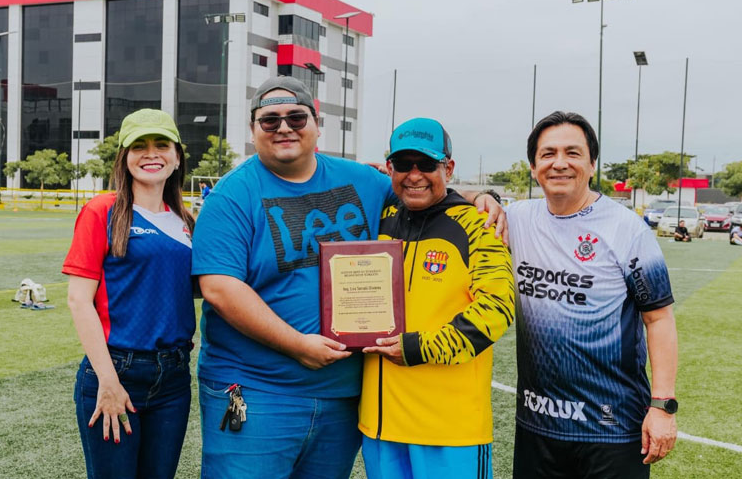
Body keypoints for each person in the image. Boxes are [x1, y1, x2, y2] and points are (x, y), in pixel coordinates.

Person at [191, 76, 506, 479]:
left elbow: (424, 191)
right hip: (261, 389)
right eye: (270, 121)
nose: (284, 127)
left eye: (296, 117)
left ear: (317, 124)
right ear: (253, 130)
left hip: (343, 395)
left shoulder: (364, 180)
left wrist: (480, 198)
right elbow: (219, 289)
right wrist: (297, 345)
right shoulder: (232, 195)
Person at [506, 111, 678, 479]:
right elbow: (462, 207)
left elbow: (658, 317)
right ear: (534, 166)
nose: (560, 163)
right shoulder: (516, 219)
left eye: (573, 153)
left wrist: (662, 407)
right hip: (537, 425)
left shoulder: (626, 228)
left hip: (612, 426)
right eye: (548, 154)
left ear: (591, 163)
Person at [359, 118, 515, 478]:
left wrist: (418, 348)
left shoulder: (479, 226)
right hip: (380, 427)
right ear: (389, 168)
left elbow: (497, 307)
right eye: (403, 165)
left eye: (427, 164)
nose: (415, 175)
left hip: (449, 431)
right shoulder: (378, 219)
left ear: (449, 167)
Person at [62, 109, 195, 479]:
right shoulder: (103, 211)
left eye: (161, 145)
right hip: (117, 369)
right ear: (124, 157)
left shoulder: (186, 222)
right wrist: (108, 381)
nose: (151, 154)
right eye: (139, 146)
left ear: (177, 156)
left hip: (174, 377)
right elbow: (78, 300)